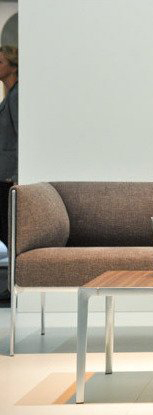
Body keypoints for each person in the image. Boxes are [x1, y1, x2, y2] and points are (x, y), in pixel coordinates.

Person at [0, 45, 18, 303]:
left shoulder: (16, 96)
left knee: (8, 227)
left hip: (9, 175)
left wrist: (16, 174)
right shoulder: (10, 94)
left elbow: (19, 136)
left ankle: (13, 283)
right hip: (4, 173)